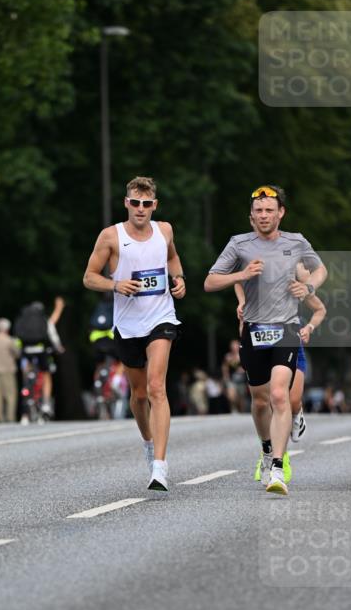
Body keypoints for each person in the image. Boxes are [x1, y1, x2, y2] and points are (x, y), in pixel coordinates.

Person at [204, 184, 327, 495]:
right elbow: (209, 281)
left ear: (280, 213)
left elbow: (320, 269)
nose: (264, 215)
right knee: (259, 401)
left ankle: (276, 466)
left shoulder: (296, 242)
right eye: (258, 211)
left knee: (278, 395)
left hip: (286, 328)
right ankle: (266, 447)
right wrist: (240, 276)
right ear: (251, 216)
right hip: (254, 330)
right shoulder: (239, 245)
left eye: (269, 210)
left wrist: (308, 288)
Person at [83, 175, 185, 491]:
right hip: (127, 326)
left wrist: (179, 279)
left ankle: (160, 467)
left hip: (161, 318)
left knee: (157, 387)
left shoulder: (164, 230)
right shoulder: (110, 237)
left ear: (154, 205)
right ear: (127, 203)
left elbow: (171, 257)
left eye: (147, 204)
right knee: (139, 395)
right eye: (135, 203)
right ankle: (147, 441)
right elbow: (88, 277)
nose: (141, 209)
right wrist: (115, 285)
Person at [236, 264, 327, 457]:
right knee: (268, 401)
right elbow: (237, 280)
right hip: (258, 346)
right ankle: (275, 457)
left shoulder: (293, 284)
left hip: (289, 343)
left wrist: (309, 327)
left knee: (290, 400)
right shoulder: (254, 279)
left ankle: (297, 412)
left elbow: (320, 309)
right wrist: (241, 302)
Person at [14, 298, 65, 418]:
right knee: (46, 374)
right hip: (41, 351)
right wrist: (58, 348)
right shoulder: (43, 319)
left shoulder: (23, 320)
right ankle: (46, 403)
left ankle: (26, 397)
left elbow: (16, 338)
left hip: (26, 351)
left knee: (26, 374)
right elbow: (52, 334)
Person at [0, 318, 21, 422]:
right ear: (7, 329)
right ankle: (10, 417)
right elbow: (17, 354)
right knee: (10, 395)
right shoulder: (10, 340)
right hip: (8, 370)